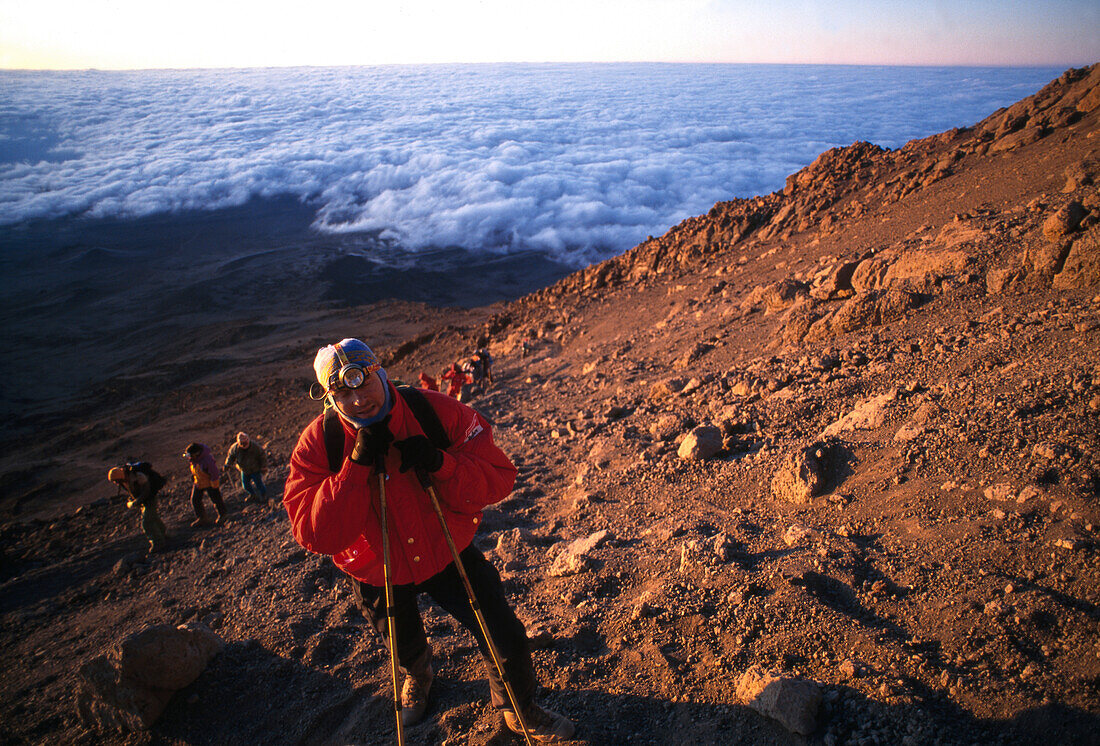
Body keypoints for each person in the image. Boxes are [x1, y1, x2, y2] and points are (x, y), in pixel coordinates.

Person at [284, 338, 574, 742]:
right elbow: (314, 533)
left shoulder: (432, 410)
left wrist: (441, 463)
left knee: (502, 633)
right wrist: (354, 467)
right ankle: (418, 674)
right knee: (400, 640)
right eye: (341, 392)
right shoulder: (321, 443)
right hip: (376, 565)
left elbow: (498, 476)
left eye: (362, 382)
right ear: (328, 396)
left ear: (380, 372)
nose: (356, 400)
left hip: (444, 548)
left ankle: (517, 708)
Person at [107, 461, 169, 553]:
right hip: (143, 500)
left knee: (146, 522)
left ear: (119, 477)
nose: (116, 483)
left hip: (150, 499)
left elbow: (146, 491)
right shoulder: (125, 481)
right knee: (153, 517)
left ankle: (157, 542)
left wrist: (136, 502)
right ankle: (163, 534)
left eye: (116, 481)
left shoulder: (138, 476)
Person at [183, 442, 226, 527]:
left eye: (190, 455)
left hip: (210, 483)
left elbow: (214, 473)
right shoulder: (195, 460)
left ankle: (223, 515)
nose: (189, 457)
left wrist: (214, 484)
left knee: (216, 500)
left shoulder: (207, 460)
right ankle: (202, 518)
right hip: (199, 483)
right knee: (195, 500)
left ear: (197, 453)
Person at [224, 431, 268, 502]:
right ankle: (253, 495)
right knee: (245, 486)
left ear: (248, 440)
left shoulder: (255, 447)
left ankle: (263, 495)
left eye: (245, 443)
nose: (244, 445)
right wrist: (228, 464)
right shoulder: (235, 448)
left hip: (255, 469)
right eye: (242, 443)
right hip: (244, 470)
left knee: (259, 484)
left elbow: (262, 456)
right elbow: (231, 456)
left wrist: (264, 467)